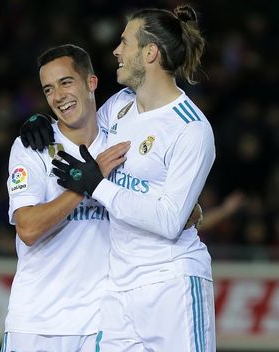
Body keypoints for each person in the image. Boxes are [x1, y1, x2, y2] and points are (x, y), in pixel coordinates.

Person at [24, 5, 216, 351]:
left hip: (171, 281)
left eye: (125, 43)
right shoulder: (119, 106)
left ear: (150, 52)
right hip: (118, 288)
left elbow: (171, 220)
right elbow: (79, 127)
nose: (116, 51)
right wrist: (42, 123)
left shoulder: (190, 128)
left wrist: (97, 186)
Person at [3, 44, 131, 351]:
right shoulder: (32, 146)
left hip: (100, 324)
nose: (58, 96)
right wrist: (85, 182)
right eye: (48, 89)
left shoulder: (120, 144)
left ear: (91, 82)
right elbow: (29, 229)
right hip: (35, 324)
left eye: (66, 82)